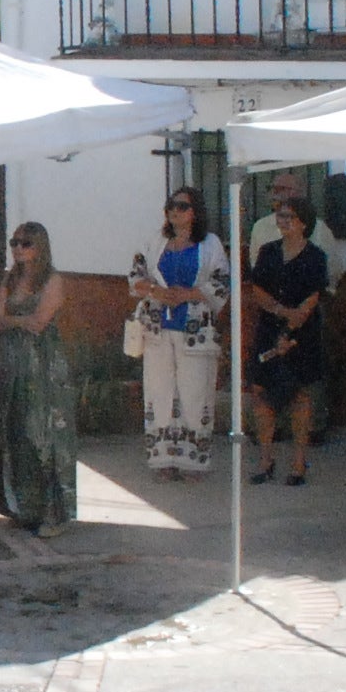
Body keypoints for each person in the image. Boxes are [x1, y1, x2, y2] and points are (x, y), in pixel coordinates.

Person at [129, 187, 232, 479]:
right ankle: (163, 460)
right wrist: (156, 291)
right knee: (158, 392)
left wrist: (188, 294)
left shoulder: (210, 244)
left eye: (182, 206)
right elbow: (135, 275)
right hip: (158, 328)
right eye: (171, 206)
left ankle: (193, 461)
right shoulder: (155, 241)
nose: (175, 211)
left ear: (195, 211)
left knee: (195, 392)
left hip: (195, 330)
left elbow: (222, 282)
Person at [0, 224, 78, 538]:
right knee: (14, 434)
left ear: (39, 246)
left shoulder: (52, 280)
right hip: (12, 364)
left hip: (43, 367)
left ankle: (53, 512)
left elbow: (40, 322)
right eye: (14, 242)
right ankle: (21, 506)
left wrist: (13, 321)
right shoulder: (9, 278)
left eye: (25, 243)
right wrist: (18, 321)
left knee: (44, 436)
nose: (18, 248)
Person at [243, 197, 327, 487]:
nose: (283, 221)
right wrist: (280, 313)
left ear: (303, 221)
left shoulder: (315, 256)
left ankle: (298, 462)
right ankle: (266, 459)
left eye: (289, 216)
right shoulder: (267, 252)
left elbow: (313, 297)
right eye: (280, 216)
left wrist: (290, 329)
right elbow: (258, 290)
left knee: (300, 397)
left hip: (301, 335)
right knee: (261, 393)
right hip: (269, 329)